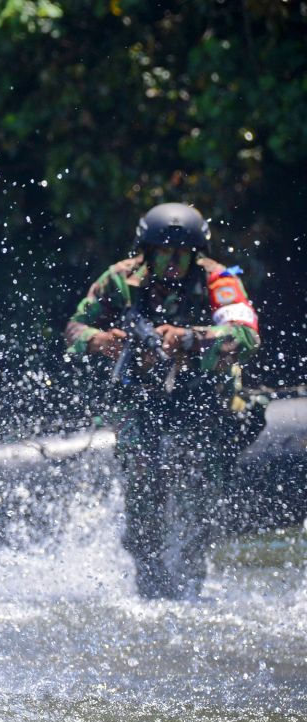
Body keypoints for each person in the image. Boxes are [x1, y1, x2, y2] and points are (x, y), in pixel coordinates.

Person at [65, 202, 261, 599]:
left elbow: (247, 336)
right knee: (142, 485)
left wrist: (189, 338)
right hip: (141, 397)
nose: (172, 264)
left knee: (199, 497)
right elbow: (73, 329)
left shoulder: (218, 280)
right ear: (147, 251)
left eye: (181, 255)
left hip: (202, 397)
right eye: (163, 254)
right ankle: (150, 578)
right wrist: (100, 341)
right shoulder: (121, 279)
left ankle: (191, 579)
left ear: (196, 254)